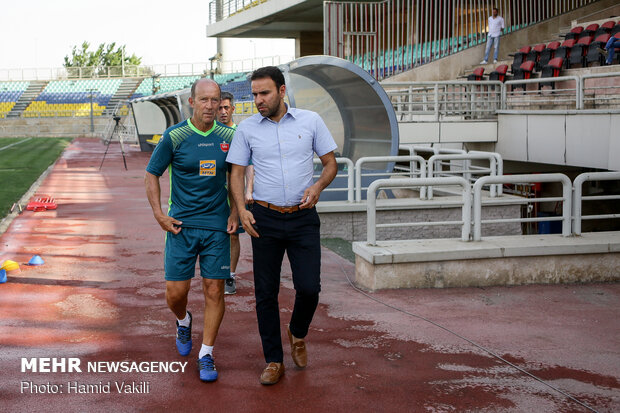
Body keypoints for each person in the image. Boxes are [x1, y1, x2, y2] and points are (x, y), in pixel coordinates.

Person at [226, 66, 338, 385]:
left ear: (282, 91)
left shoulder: (310, 121)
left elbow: (330, 163)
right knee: (265, 293)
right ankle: (274, 360)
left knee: (309, 288)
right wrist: (241, 210)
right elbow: (236, 172)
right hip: (265, 217)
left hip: (303, 218)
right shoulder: (247, 129)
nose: (258, 100)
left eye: (265, 93)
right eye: (255, 94)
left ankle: (297, 332)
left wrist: (317, 187)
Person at [144, 78, 238, 383]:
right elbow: (152, 174)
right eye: (204, 100)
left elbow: (238, 177)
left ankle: (206, 353)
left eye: (215, 101)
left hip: (217, 227)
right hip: (180, 227)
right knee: (176, 293)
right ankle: (183, 320)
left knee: (214, 289)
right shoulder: (175, 136)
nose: (210, 106)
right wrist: (159, 214)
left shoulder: (230, 136)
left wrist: (236, 212)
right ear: (192, 102)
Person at [217, 91, 255, 295]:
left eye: (226, 108)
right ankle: (216, 273)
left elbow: (249, 165)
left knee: (233, 236)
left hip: (235, 195)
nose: (223, 112)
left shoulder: (239, 133)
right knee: (215, 236)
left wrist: (249, 190)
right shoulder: (212, 134)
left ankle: (229, 276)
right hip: (214, 197)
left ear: (233, 109)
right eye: (219, 108)